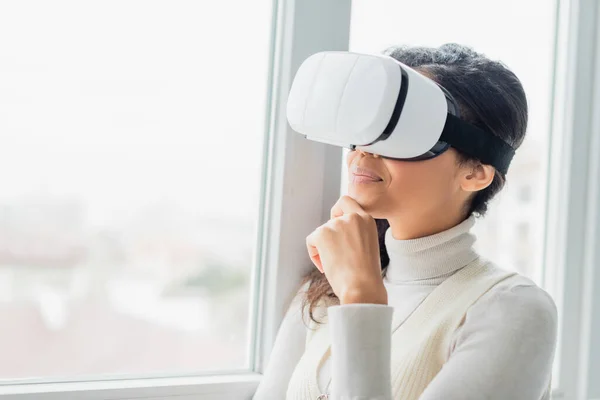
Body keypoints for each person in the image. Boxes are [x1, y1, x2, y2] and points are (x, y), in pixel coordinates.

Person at [253, 43, 557, 400]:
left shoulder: (513, 310)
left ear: (476, 173)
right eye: (369, 123)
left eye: (403, 130)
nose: (364, 149)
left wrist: (362, 302)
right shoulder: (325, 288)